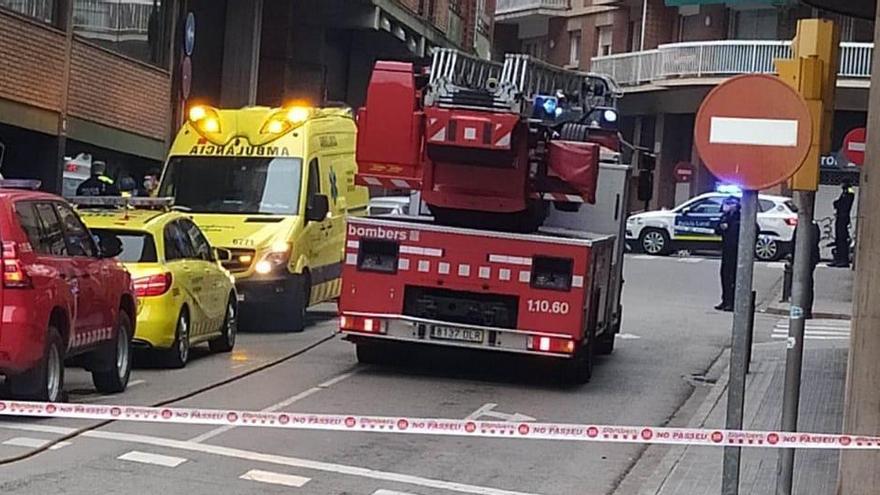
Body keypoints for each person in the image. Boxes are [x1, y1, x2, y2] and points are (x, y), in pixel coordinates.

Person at [715, 196, 741, 312]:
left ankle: (732, 302)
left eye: (730, 204)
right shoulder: (725, 216)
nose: (727, 206)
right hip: (726, 250)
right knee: (725, 276)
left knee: (734, 277)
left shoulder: (741, 217)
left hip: (737, 252)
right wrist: (721, 227)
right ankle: (725, 300)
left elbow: (754, 230)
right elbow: (717, 230)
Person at [830, 179, 855, 268]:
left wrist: (837, 203)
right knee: (838, 240)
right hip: (840, 217)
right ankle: (838, 259)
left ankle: (843, 260)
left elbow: (843, 203)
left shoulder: (849, 192)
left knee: (842, 240)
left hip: (843, 218)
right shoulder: (845, 192)